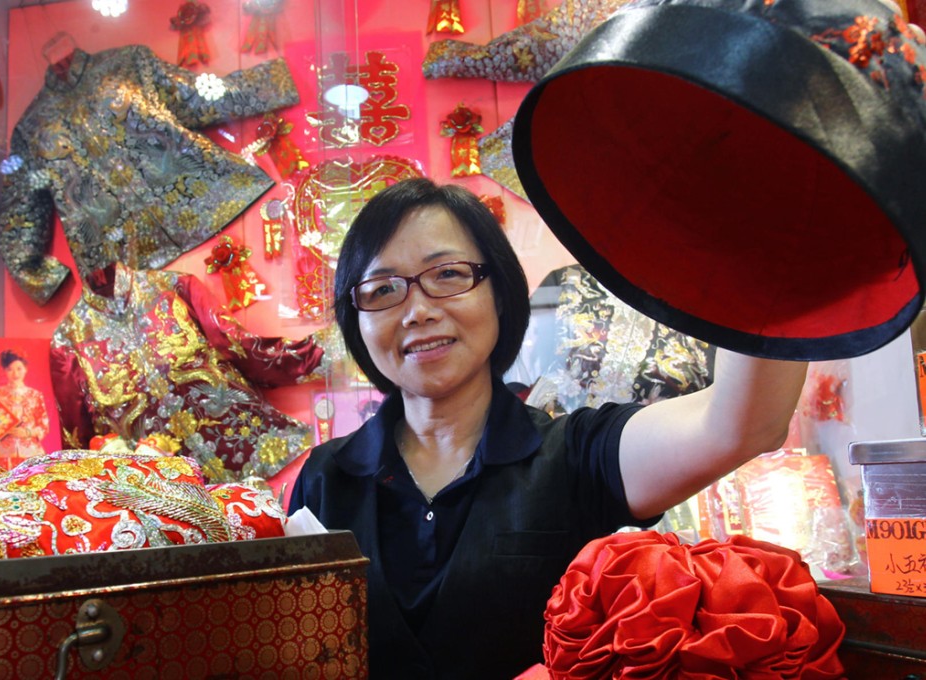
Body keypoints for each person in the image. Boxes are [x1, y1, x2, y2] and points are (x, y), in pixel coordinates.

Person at [289, 178, 809, 679]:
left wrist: (777, 232)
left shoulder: (576, 455)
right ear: (356, 318)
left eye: (447, 275)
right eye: (383, 289)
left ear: (499, 292)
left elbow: (742, 425)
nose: (418, 311)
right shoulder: (326, 479)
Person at [0, 349, 49, 469]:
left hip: (30, 451)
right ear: (5, 371)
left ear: (25, 369)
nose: (15, 374)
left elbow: (43, 425)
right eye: (10, 369)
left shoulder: (35, 395)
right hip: (2, 451)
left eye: (19, 369)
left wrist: (27, 432)